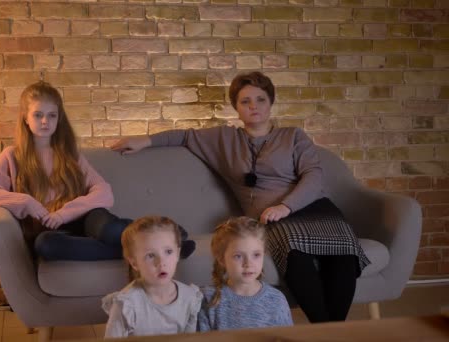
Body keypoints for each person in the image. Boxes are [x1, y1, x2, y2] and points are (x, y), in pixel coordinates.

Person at [111, 71, 370, 323]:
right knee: (296, 256)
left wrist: (286, 206)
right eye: (245, 101)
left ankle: (332, 333)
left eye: (260, 99)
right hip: (271, 218)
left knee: (344, 255)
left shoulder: (293, 136)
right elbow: (185, 136)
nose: (253, 106)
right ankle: (327, 333)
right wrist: (144, 140)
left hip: (313, 208)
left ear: (271, 103)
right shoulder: (224, 138)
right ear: (236, 107)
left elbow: (314, 176)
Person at [0, 80, 133, 261]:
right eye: (38, 115)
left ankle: (153, 241)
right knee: (46, 245)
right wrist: (25, 201)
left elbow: (105, 193)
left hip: (85, 220)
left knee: (114, 229)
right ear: (25, 118)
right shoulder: (12, 156)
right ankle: (136, 251)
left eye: (52, 115)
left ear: (59, 119)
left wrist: (64, 213)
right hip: (51, 232)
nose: (45, 121)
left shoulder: (70, 154)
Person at [102, 216, 202, 338]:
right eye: (150, 255)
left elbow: (189, 339)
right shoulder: (126, 304)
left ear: (177, 254)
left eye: (168, 252)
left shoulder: (190, 297)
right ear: (134, 263)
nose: (161, 262)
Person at [198, 216, 292, 331]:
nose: (248, 264)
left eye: (256, 255)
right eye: (238, 256)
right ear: (222, 259)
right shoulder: (209, 299)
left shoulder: (276, 300)